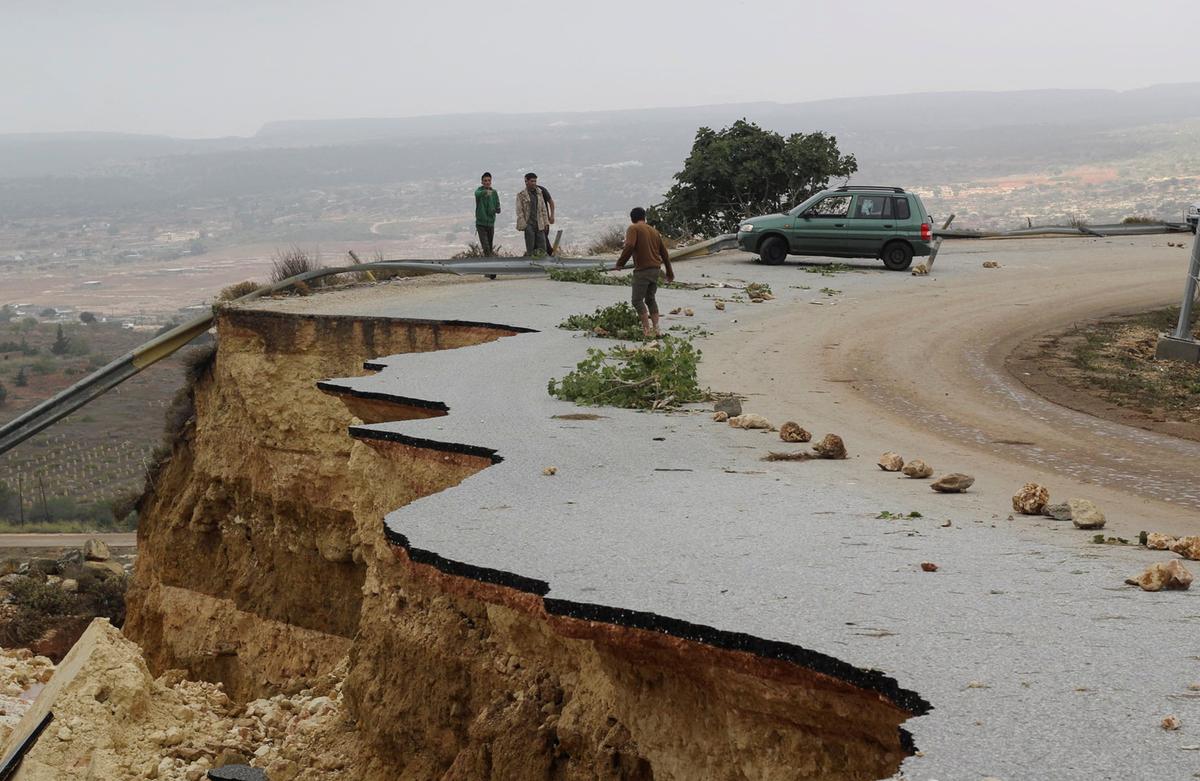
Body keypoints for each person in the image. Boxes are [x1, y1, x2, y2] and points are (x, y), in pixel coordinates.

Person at [615, 207, 674, 338]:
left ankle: (646, 330)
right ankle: (657, 329)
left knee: (637, 300)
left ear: (632, 218)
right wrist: (669, 272)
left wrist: (620, 263)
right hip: (656, 270)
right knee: (650, 299)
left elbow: (629, 245)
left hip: (643, 271)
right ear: (644, 217)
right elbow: (664, 254)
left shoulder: (633, 228)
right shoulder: (654, 231)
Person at [516, 172, 550, 256]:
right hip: (529, 224)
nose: (534, 183)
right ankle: (530, 264)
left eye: (535, 181)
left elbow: (543, 209)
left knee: (542, 247)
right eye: (532, 181)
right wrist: (524, 225)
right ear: (526, 181)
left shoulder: (539, 193)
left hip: (539, 223)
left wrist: (546, 222)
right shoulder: (521, 195)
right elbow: (519, 211)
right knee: (530, 247)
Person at [474, 172, 501, 256]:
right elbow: (477, 194)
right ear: (482, 182)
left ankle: (489, 261)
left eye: (489, 180)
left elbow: (497, 204)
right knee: (485, 246)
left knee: (490, 245)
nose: (487, 182)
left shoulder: (494, 192)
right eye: (485, 180)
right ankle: (487, 261)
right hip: (481, 223)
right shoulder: (479, 191)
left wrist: (496, 209)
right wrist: (486, 192)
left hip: (490, 222)